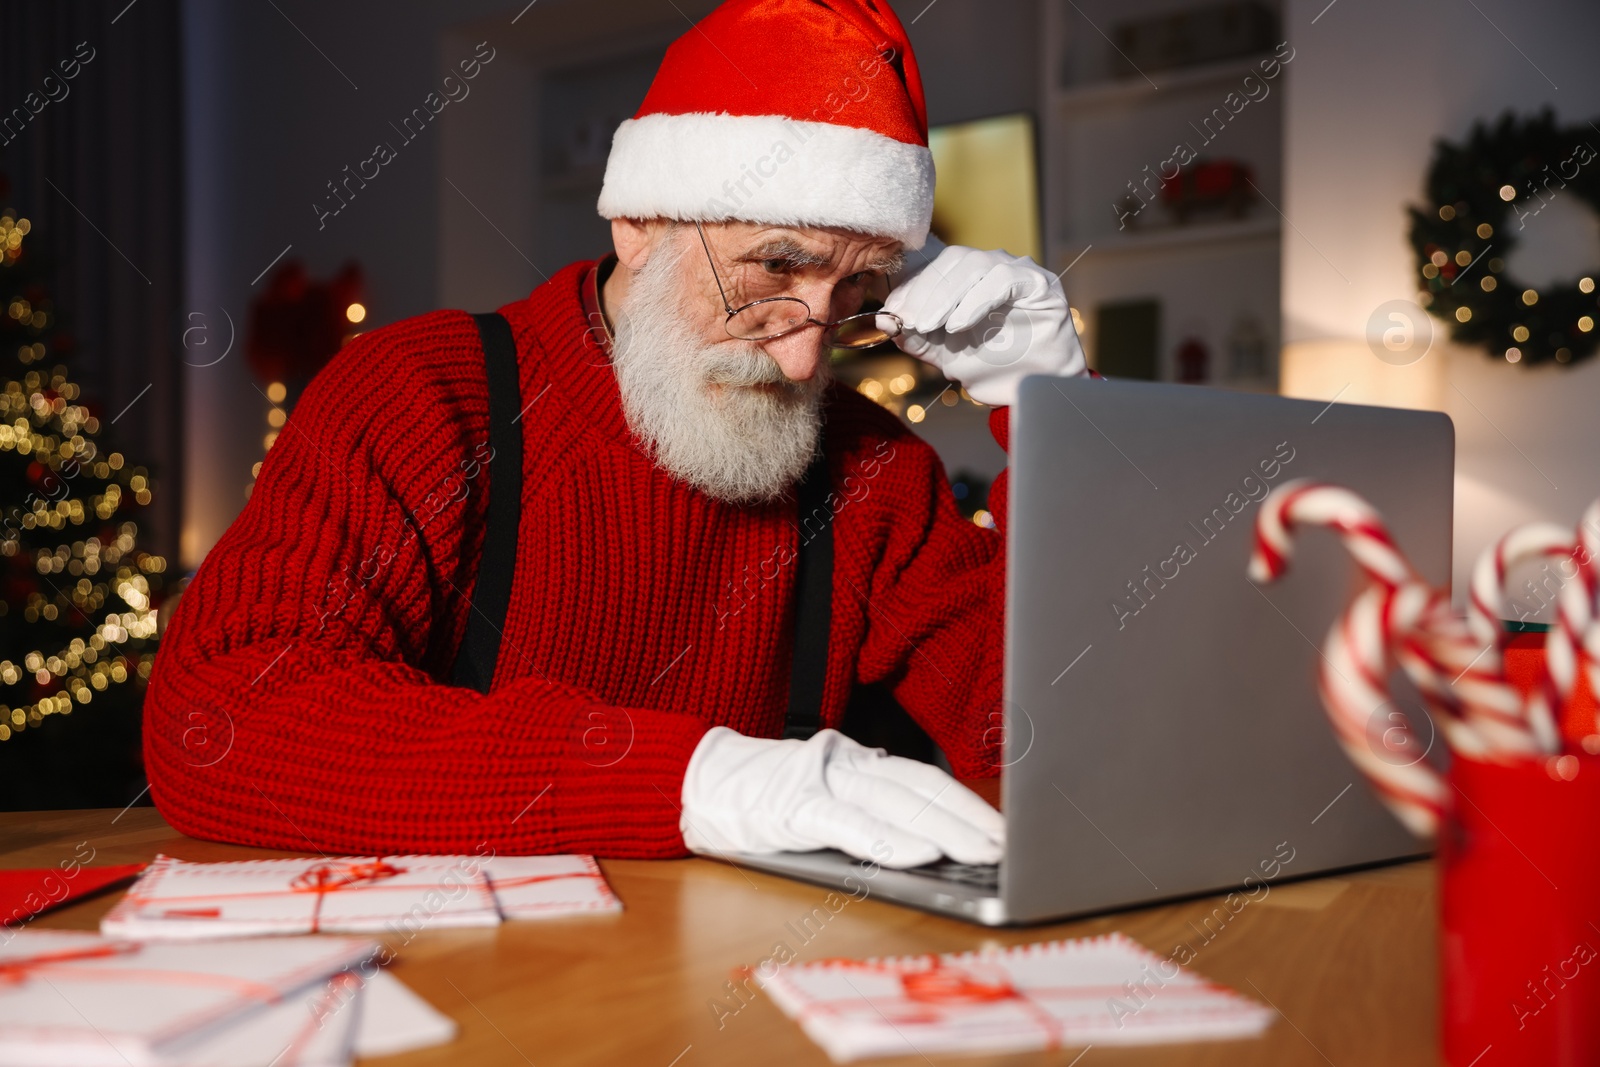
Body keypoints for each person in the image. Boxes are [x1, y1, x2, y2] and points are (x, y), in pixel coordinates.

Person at [144, 0, 1086, 869]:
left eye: (854, 293)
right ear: (639, 221)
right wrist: (689, 780)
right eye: (774, 268)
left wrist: (1057, 425)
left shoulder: (874, 472)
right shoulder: (422, 397)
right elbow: (219, 713)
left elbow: (1058, 747)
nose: (805, 361)